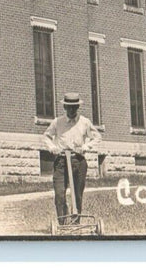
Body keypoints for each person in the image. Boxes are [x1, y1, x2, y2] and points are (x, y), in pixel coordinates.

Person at [43, 92, 101, 223]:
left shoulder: (84, 122)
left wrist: (85, 147)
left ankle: (76, 223)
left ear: (77, 108)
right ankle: (63, 224)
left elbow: (97, 137)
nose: (71, 110)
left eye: (74, 107)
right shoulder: (57, 122)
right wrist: (53, 148)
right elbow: (46, 136)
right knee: (59, 195)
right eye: (69, 107)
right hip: (61, 161)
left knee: (77, 195)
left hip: (78, 160)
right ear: (64, 107)